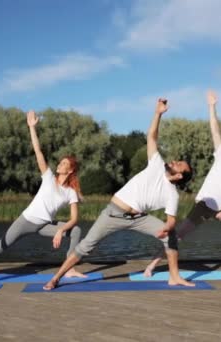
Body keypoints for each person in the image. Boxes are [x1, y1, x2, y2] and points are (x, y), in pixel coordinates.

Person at [42, 98, 194, 290]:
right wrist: (158, 114)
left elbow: (171, 220)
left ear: (179, 175)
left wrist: (167, 228)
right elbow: (152, 137)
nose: (174, 161)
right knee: (85, 247)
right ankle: (56, 278)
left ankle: (174, 277)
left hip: (138, 218)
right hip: (113, 213)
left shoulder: (172, 194)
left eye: (178, 164)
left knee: (170, 237)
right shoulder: (156, 163)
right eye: (177, 161)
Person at [143, 90, 221, 277]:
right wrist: (212, 106)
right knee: (179, 235)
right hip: (203, 205)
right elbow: (215, 129)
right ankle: (151, 265)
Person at [0, 110, 85, 279]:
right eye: (60, 162)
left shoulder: (71, 192)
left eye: (64, 163)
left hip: (44, 226)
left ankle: (69, 268)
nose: (59, 164)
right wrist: (32, 128)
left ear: (70, 170)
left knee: (76, 230)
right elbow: (38, 151)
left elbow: (74, 219)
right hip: (26, 221)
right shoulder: (49, 178)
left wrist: (60, 231)